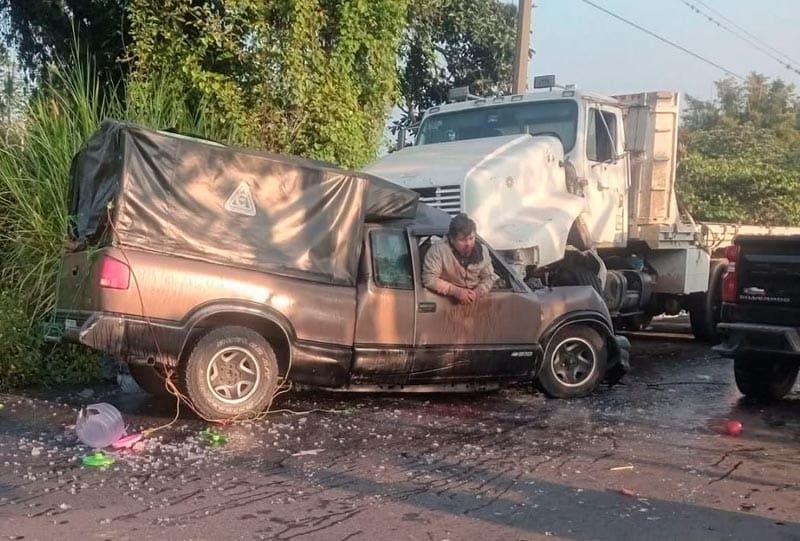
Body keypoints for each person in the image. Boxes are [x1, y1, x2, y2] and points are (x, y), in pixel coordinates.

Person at [422, 213, 497, 304]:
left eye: (471, 238)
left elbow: (489, 277)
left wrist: (477, 292)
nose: (468, 244)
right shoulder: (439, 251)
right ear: (452, 239)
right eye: (462, 240)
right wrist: (455, 291)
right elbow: (429, 278)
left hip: (476, 305)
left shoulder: (482, 251)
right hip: (445, 303)